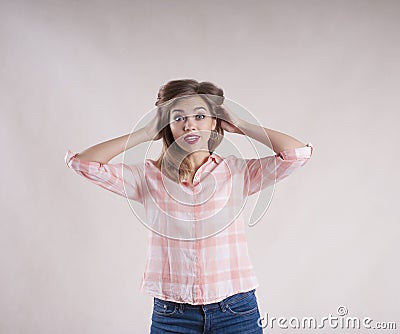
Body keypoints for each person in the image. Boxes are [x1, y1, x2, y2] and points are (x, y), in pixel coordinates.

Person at [64, 79, 314, 333]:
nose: (190, 124)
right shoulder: (148, 176)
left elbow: (297, 154)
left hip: (236, 310)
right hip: (173, 315)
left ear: (215, 121)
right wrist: (144, 134)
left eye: (200, 115)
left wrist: (242, 125)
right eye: (178, 118)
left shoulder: (237, 172)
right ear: (167, 126)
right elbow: (83, 164)